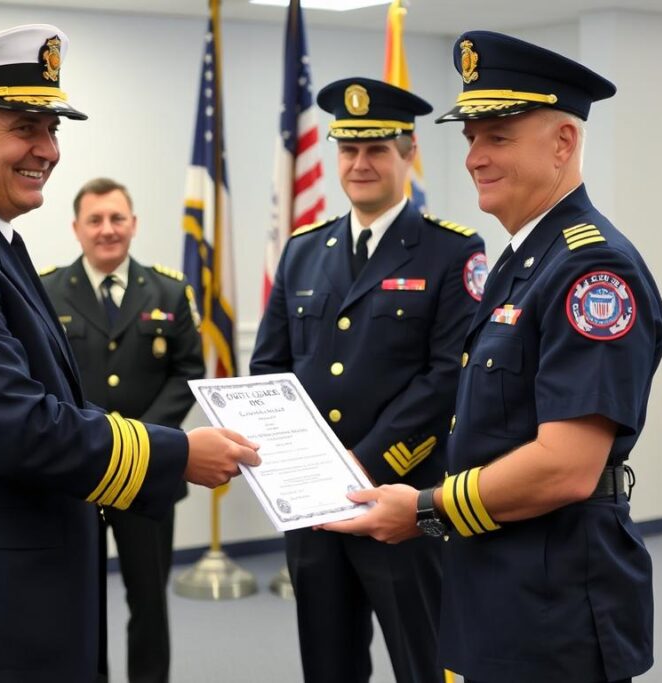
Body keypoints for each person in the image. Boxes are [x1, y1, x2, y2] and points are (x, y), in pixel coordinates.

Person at [0, 25, 259, 683]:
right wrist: (179, 452)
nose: (48, 149)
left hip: (11, 596)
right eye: (25, 127)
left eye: (53, 128)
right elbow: (21, 428)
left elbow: (50, 406)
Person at [324, 31, 662, 683]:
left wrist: (426, 507)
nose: (474, 157)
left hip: (555, 598)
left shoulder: (592, 269)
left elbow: (567, 465)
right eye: (471, 138)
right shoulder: (519, 260)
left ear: (563, 143)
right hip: (498, 578)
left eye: (498, 137)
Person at [250, 78, 486, 683]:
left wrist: (365, 461)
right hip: (313, 509)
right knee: (328, 664)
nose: (360, 164)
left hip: (401, 500)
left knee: (423, 659)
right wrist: (298, 462)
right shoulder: (303, 251)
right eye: (348, 149)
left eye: (378, 149)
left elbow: (446, 378)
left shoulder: (451, 252)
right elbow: (269, 368)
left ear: (409, 153)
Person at [41, 177, 203, 683]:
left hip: (150, 474)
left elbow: (188, 373)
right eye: (95, 220)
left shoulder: (170, 290)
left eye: (117, 219)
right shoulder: (44, 291)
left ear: (133, 224)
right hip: (78, 474)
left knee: (149, 601)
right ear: (76, 228)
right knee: (77, 602)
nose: (107, 230)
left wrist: (140, 443)